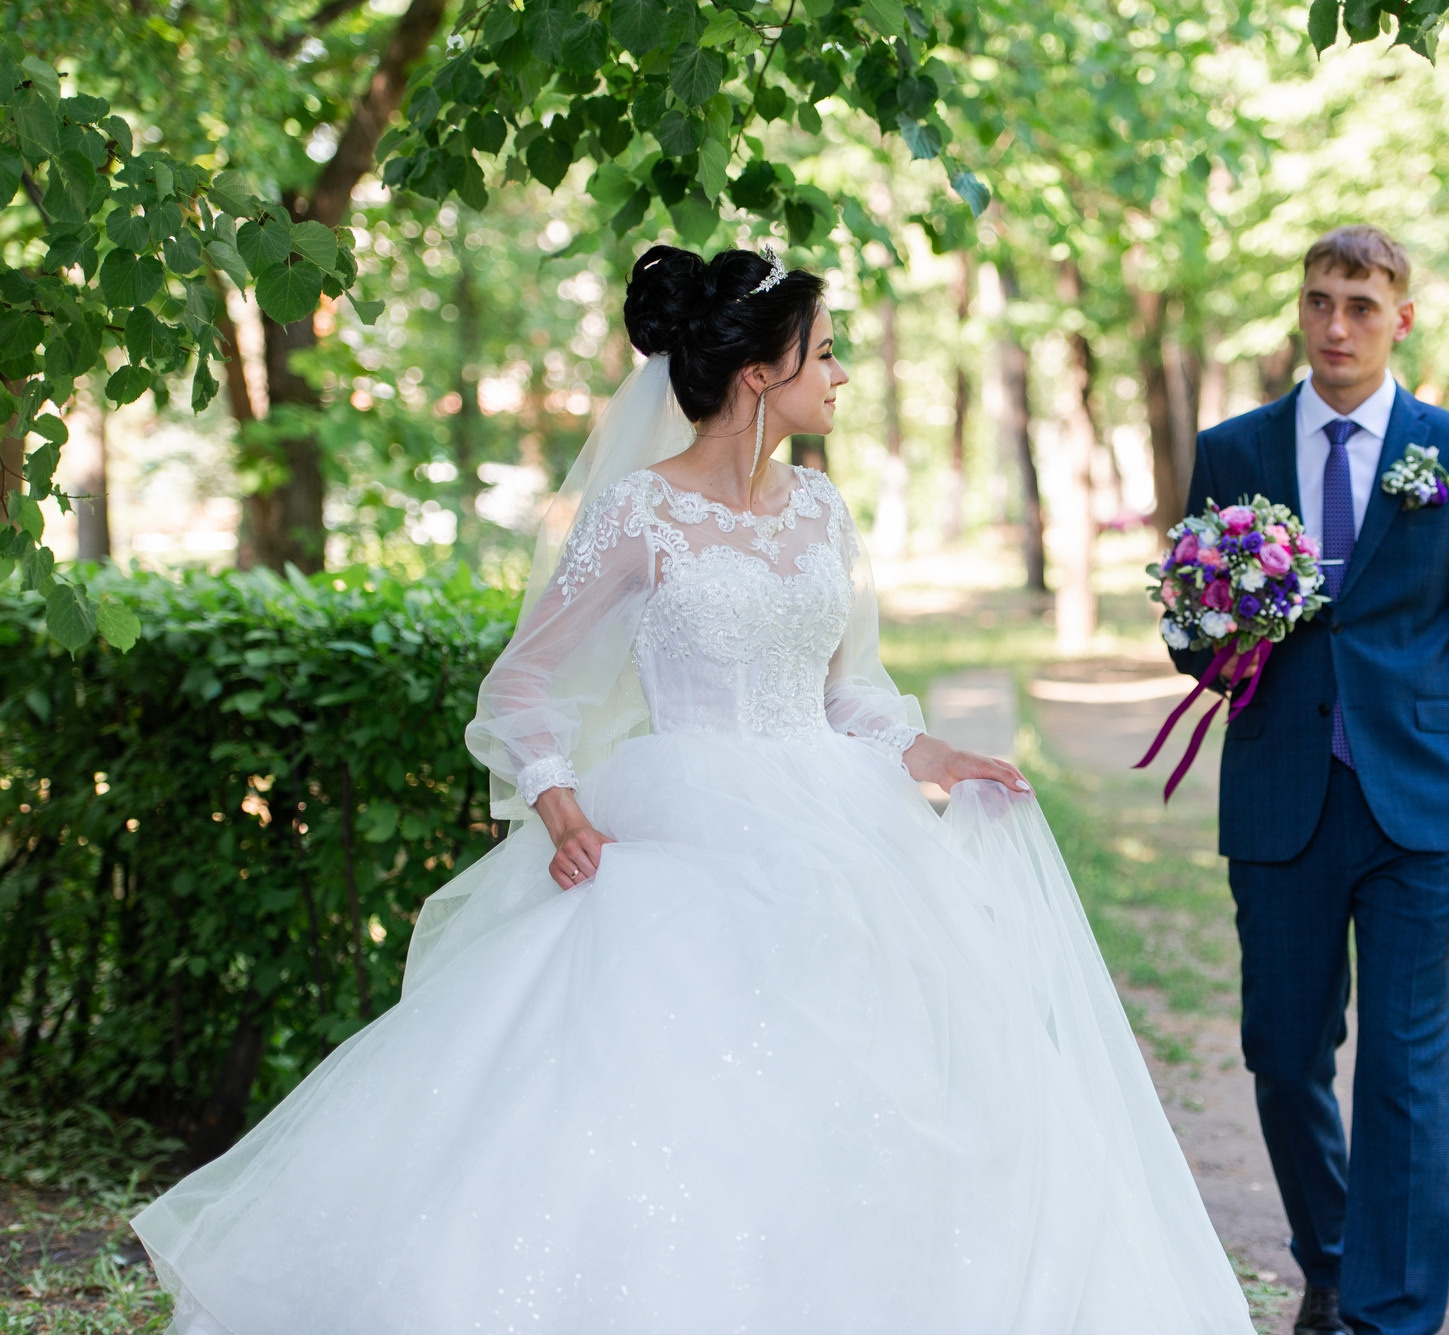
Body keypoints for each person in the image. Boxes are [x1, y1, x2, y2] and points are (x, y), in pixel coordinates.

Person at [133, 244, 1255, 1335]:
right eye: (824, 355)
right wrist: (558, 799)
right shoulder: (636, 514)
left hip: (838, 832)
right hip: (684, 828)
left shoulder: (823, 511)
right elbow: (521, 682)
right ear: (760, 374)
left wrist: (932, 754)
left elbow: (847, 692)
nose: (841, 376)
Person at [1168, 225, 1449, 1335]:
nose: (1336, 326)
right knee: (1282, 1056)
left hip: (1418, 806)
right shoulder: (1231, 450)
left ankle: (1392, 1316)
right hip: (1281, 798)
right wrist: (1222, 624)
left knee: (1404, 1073)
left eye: (1360, 307)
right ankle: (1329, 1260)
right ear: (1300, 307)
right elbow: (1191, 634)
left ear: (1400, 319)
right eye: (1320, 302)